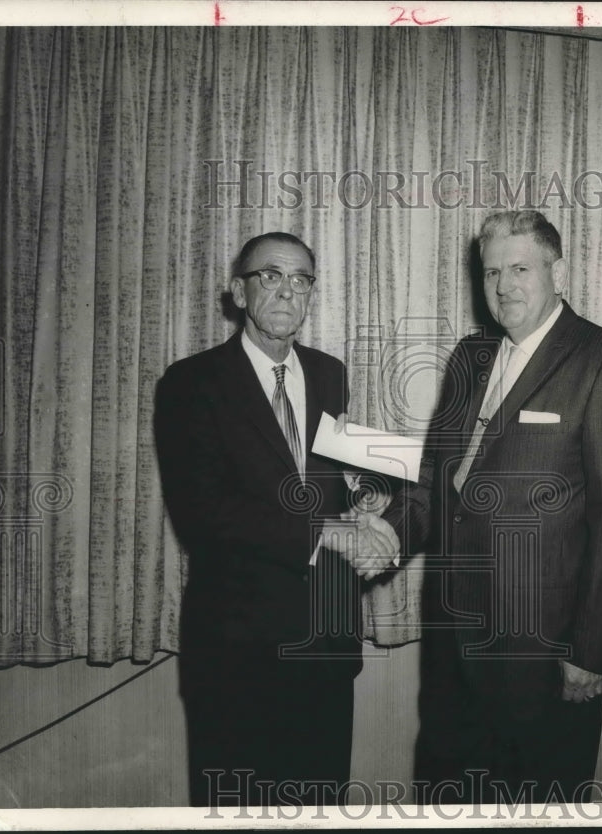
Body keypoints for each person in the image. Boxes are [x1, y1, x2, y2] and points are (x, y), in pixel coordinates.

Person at [347, 210, 602, 803]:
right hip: (452, 647)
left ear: (557, 271)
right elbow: (439, 479)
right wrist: (386, 532)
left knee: (537, 806)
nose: (504, 286)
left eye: (520, 268)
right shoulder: (471, 357)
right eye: (492, 272)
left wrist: (591, 652)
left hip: (542, 655)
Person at [154, 232, 397, 808]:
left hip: (327, 644)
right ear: (239, 292)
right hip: (238, 653)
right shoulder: (192, 383)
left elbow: (342, 464)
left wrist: (374, 492)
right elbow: (203, 513)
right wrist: (327, 532)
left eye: (302, 279)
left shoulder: (329, 372)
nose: (288, 291)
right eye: (271, 276)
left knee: (321, 806)